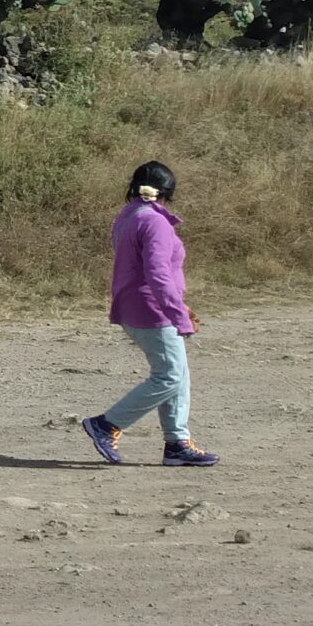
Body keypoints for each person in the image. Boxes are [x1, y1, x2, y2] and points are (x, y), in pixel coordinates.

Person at [83, 161, 219, 468]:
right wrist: (177, 312)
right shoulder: (155, 222)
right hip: (152, 309)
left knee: (177, 374)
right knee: (169, 375)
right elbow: (157, 274)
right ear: (168, 192)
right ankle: (107, 425)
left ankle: (177, 443)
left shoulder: (127, 216)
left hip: (138, 305)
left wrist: (179, 307)